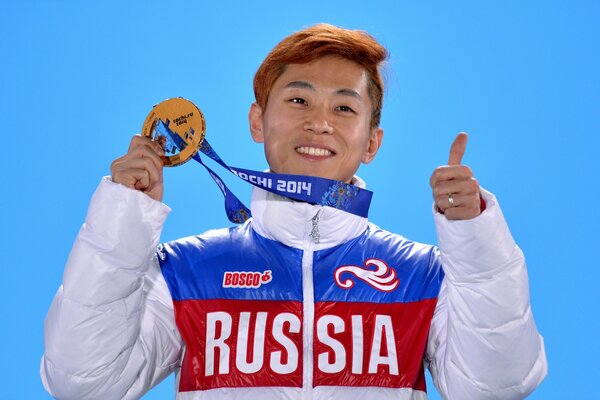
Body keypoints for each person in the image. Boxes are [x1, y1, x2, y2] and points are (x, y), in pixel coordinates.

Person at [41, 24, 547, 399]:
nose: (320, 123)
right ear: (258, 122)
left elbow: (496, 386)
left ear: (372, 142)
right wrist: (122, 221)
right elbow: (84, 382)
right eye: (299, 99)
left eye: (344, 108)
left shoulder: (421, 275)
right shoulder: (186, 272)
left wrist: (474, 239)